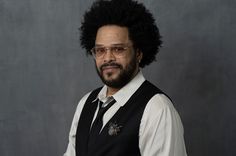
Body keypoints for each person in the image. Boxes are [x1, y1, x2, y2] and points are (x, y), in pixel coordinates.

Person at [64, 0, 187, 155]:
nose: (108, 58)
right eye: (100, 50)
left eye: (118, 49)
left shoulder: (157, 109)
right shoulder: (85, 104)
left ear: (139, 53)